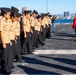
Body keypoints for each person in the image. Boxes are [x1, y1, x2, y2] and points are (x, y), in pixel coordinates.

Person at [0, 7, 13, 74]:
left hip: (8, 40)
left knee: (8, 56)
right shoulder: (1, 21)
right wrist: (3, 42)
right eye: (8, 14)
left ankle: (7, 68)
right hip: (4, 41)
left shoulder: (7, 20)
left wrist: (10, 41)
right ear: (4, 14)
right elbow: (1, 32)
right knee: (4, 57)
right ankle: (3, 69)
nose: (9, 15)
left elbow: (8, 32)